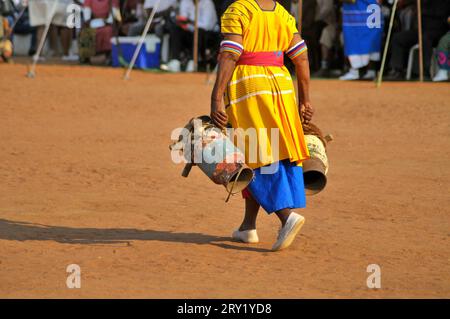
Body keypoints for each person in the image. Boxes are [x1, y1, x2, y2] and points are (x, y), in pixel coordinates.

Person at [211, 0, 313, 251]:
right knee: (272, 151)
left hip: (249, 87)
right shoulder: (282, 14)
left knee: (255, 155)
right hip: (281, 87)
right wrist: (305, 100)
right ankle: (248, 226)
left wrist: (215, 98)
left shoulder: (239, 10)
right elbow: (301, 58)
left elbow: (230, 54)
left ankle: (286, 216)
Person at [385, 0, 450, 80]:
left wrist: (421, 11)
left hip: (438, 30)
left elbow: (440, 13)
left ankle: (424, 73)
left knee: (425, 38)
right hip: (421, 30)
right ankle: (397, 70)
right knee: (398, 38)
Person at [166, 0, 218, 72]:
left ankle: (193, 62)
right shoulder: (185, 2)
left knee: (199, 31)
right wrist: (183, 22)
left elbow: (207, 25)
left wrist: (190, 22)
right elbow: (183, 19)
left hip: (206, 34)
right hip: (190, 32)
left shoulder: (207, 3)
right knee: (176, 29)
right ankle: (175, 61)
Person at [339, 0, 384, 81]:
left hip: (360, 15)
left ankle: (355, 71)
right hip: (372, 12)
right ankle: (371, 71)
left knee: (354, 40)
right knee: (371, 42)